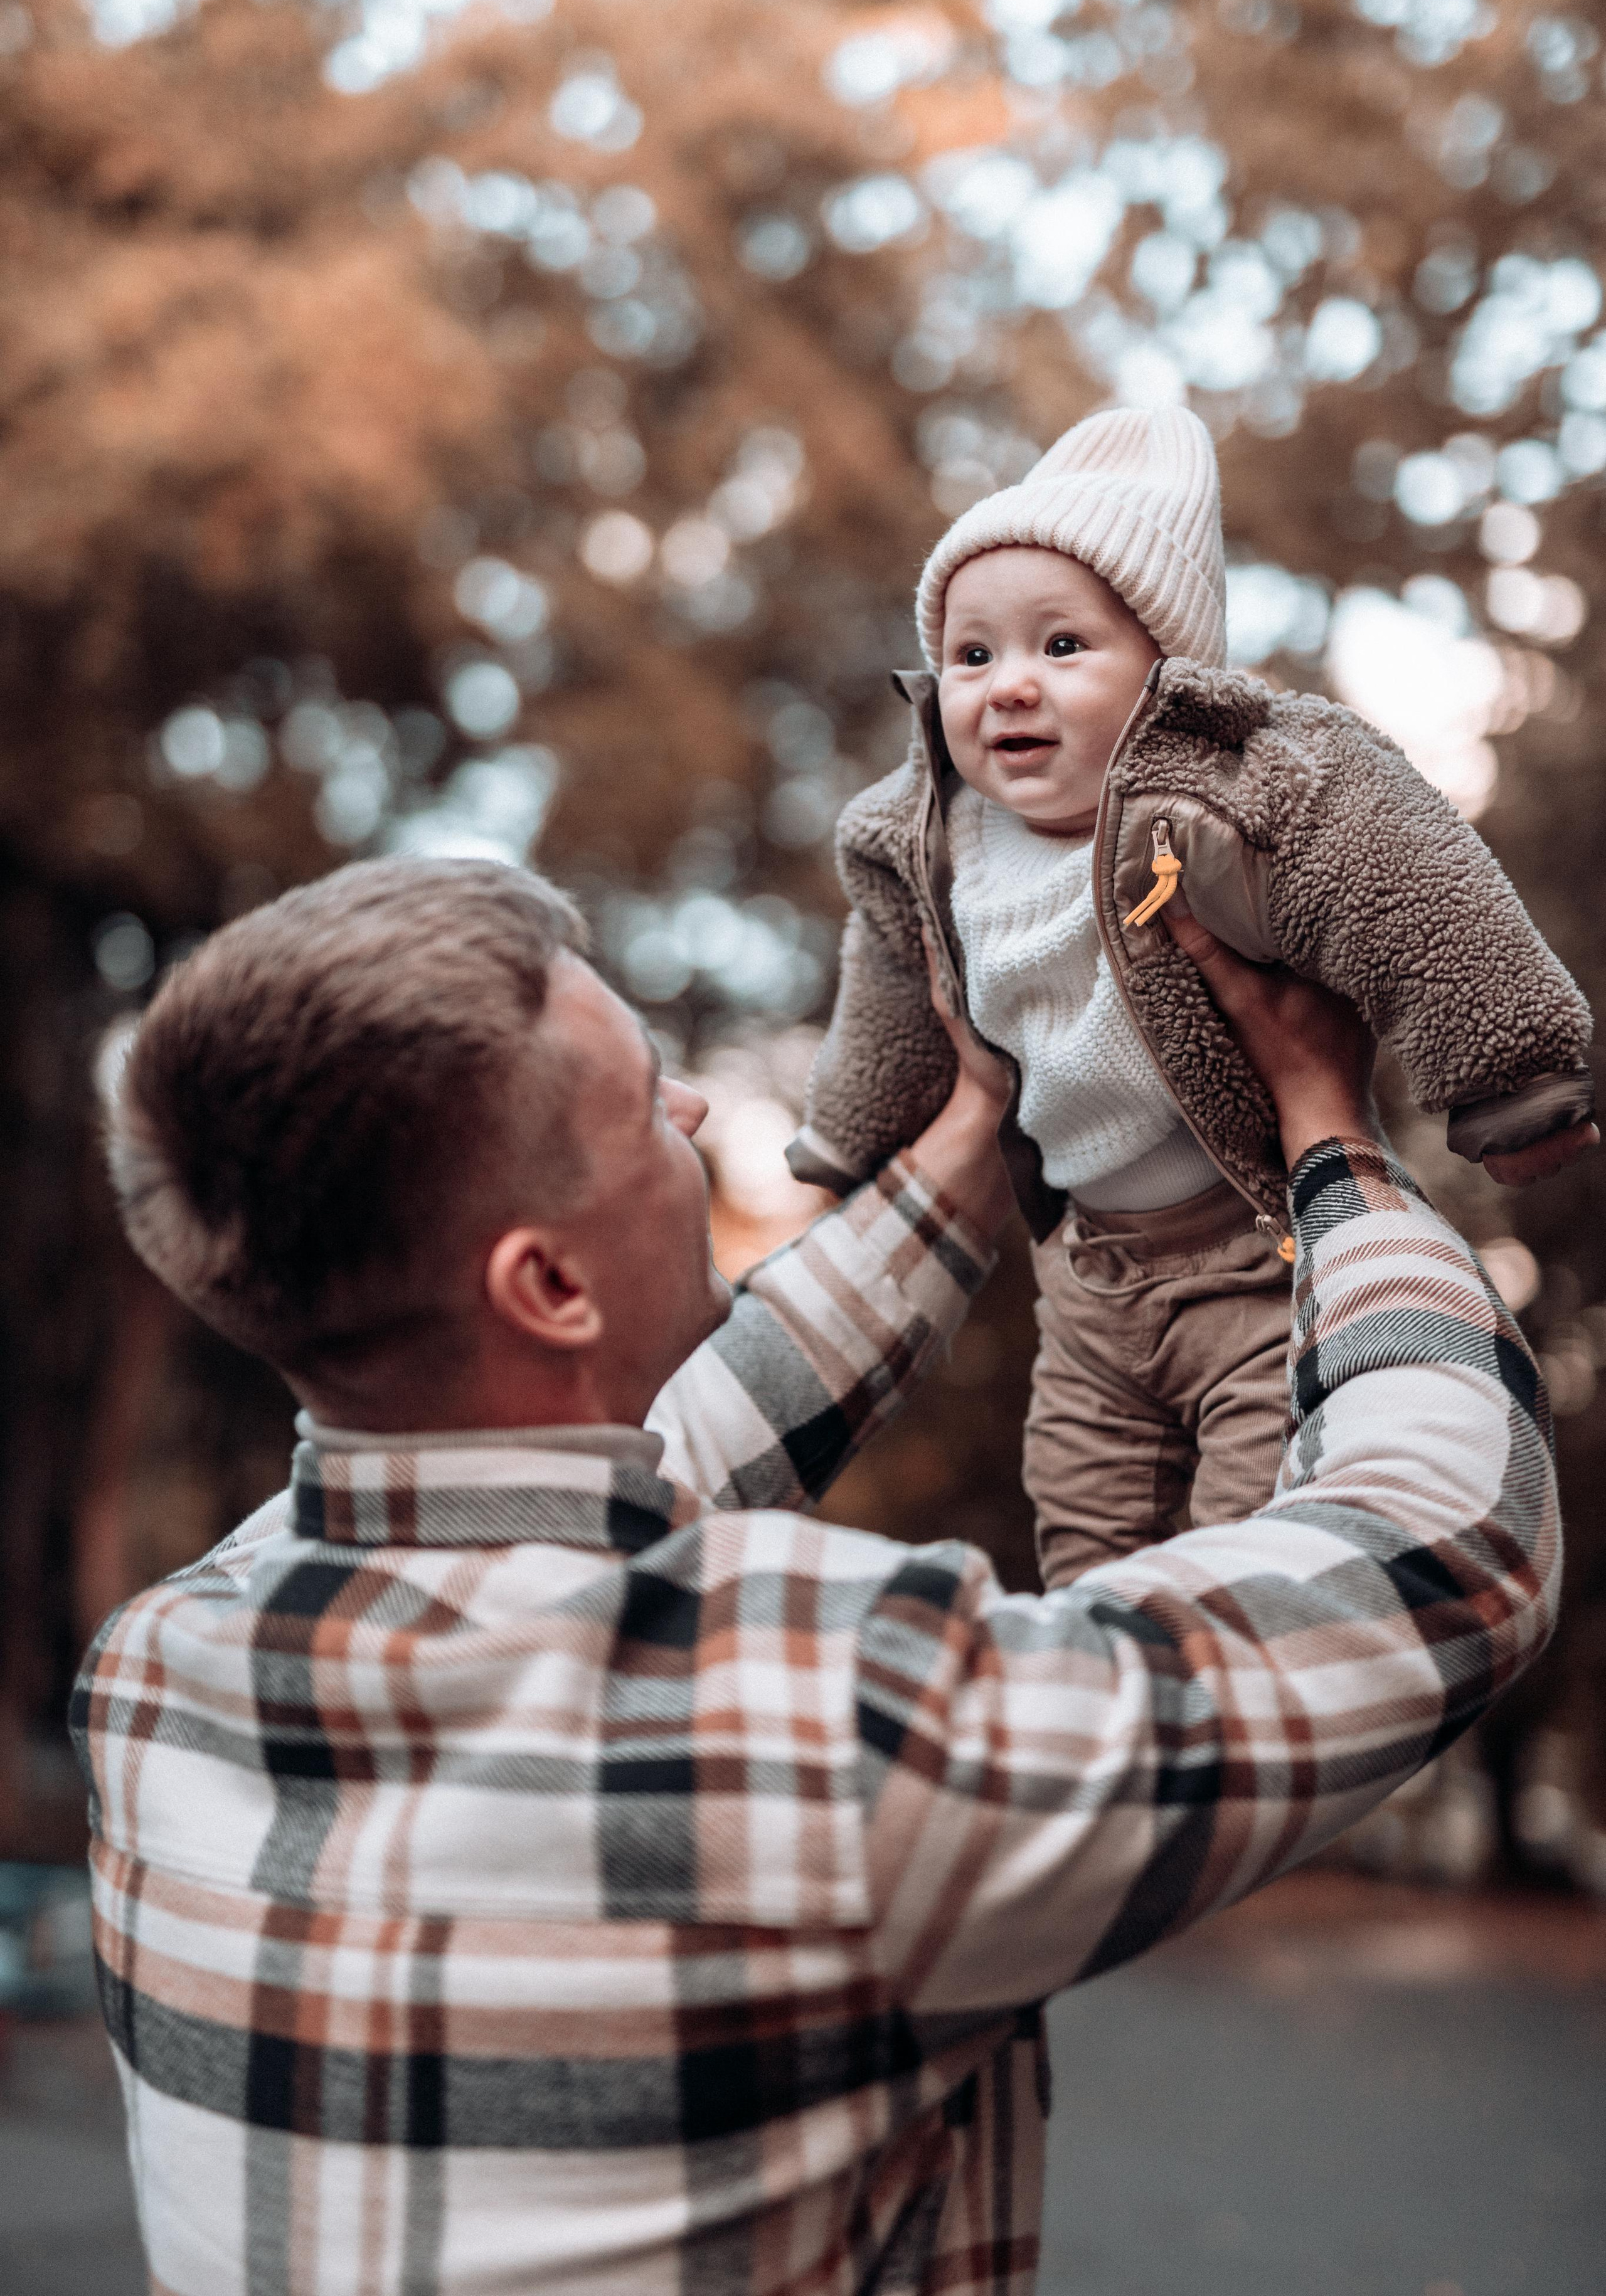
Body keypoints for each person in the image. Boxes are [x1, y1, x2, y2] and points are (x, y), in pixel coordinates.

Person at [75, 854, 1561, 2296]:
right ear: (546, 1284)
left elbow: (680, 1439)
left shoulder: (155, 1674)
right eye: (646, 1105)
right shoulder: (824, 1731)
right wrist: (1334, 1149)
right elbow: (1440, 1541)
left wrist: (986, 1117)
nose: (695, 1105)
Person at [788, 404, 1596, 1583]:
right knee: (1085, 1554)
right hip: (1087, 1283)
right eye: (973, 654)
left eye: (1062, 648)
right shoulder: (925, 841)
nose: (1008, 686)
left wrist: (1513, 1077)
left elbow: (1401, 870)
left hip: (1252, 1259)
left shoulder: (1220, 797)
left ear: (1164, 673)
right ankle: (1095, 1734)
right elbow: (892, 997)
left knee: (1238, 1561)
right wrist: (855, 1143)